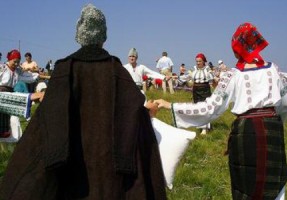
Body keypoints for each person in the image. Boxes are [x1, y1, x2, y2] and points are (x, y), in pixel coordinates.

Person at [0, 4, 166, 200]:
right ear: (104, 37)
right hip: (110, 177)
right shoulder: (119, 72)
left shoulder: (65, 70)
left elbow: (48, 120)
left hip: (70, 173)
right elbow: (134, 113)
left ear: (79, 34)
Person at [154, 22, 287, 199]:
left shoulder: (233, 75)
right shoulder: (274, 70)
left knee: (246, 185)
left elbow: (210, 107)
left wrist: (171, 105)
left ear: (236, 49)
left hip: (246, 132)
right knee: (275, 180)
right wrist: (276, 122)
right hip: (273, 129)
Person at [0, 49, 45, 138]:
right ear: (10, 59)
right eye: (15, 61)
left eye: (18, 62)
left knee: (7, 112)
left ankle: (4, 131)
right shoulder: (2, 68)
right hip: (1, 92)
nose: (16, 64)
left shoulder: (18, 70)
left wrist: (41, 75)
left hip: (10, 92)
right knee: (1, 113)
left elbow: (28, 76)